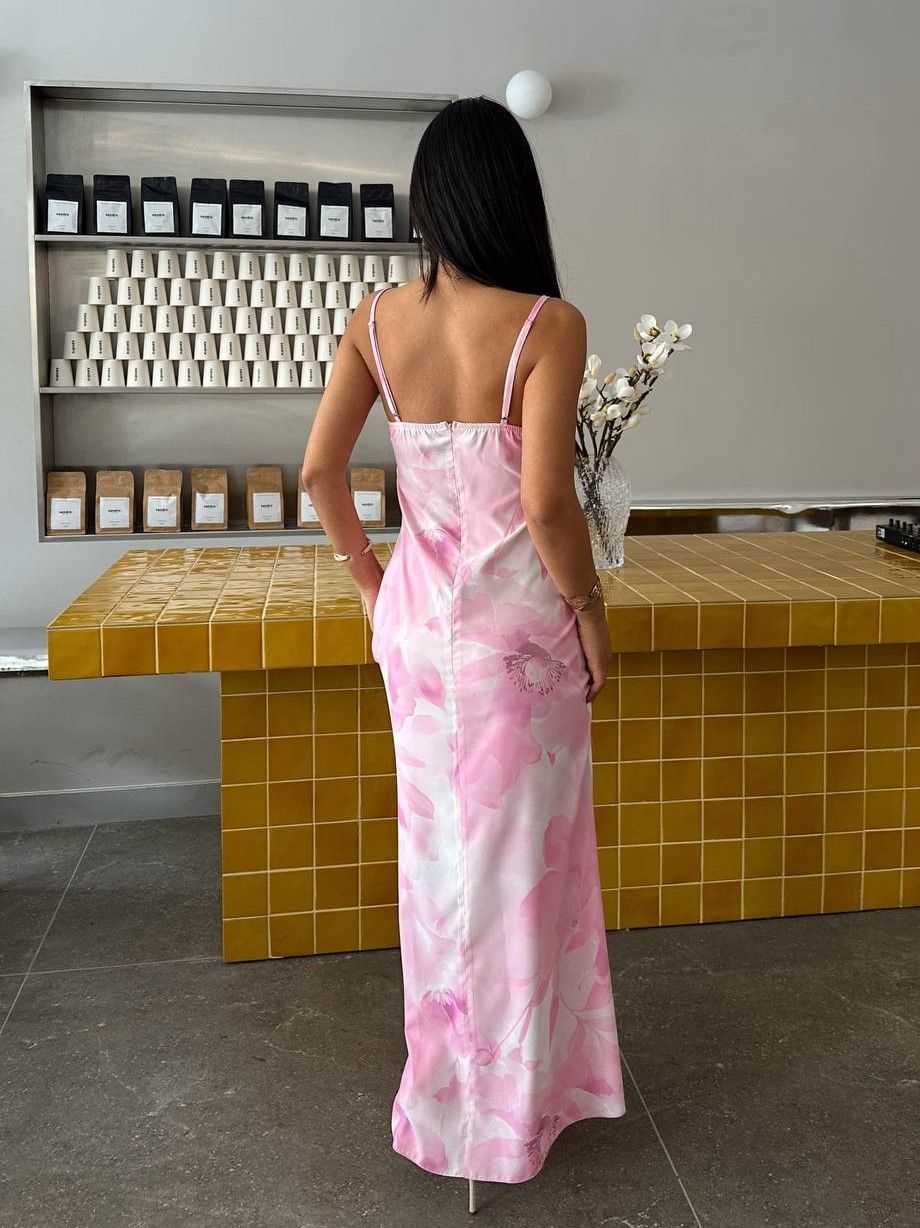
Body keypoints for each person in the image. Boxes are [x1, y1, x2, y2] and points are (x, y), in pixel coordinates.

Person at [300, 94, 626, 1213]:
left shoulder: (374, 320)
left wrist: (371, 582)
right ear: (513, 197)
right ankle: (517, 1106)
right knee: (522, 870)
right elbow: (545, 503)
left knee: (439, 872)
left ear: (428, 202)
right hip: (519, 643)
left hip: (417, 635)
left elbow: (318, 473)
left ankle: (446, 1102)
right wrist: (590, 612)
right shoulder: (547, 323)